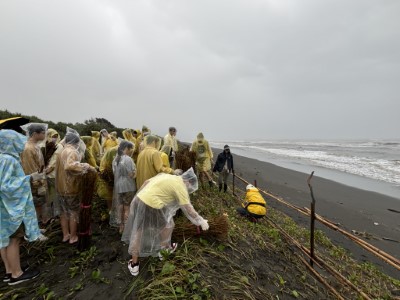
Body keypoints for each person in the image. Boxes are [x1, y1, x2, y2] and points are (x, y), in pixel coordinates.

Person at [122, 168, 209, 276]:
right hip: (152, 204)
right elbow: (188, 208)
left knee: (139, 230)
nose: (188, 189)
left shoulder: (166, 176)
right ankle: (163, 251)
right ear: (187, 181)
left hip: (139, 200)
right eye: (189, 186)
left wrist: (142, 200)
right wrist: (200, 220)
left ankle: (134, 265)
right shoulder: (181, 186)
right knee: (168, 225)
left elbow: (146, 182)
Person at [0, 129, 42, 285]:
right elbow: (6, 186)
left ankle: (10, 270)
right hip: (11, 208)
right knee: (14, 239)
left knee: (5, 239)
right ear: (10, 142)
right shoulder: (9, 160)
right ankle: (16, 275)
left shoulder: (1, 158)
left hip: (4, 208)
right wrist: (29, 178)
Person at [55, 129, 96, 244]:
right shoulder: (72, 152)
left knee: (63, 212)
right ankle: (73, 237)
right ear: (76, 142)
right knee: (73, 212)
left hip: (60, 187)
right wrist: (86, 166)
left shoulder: (61, 151)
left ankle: (65, 235)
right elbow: (69, 166)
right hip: (71, 187)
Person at [20, 123, 49, 226]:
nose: (45, 135)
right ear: (35, 134)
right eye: (43, 133)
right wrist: (38, 184)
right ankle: (33, 231)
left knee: (39, 206)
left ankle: (37, 227)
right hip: (34, 184)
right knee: (34, 207)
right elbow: (30, 171)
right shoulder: (28, 148)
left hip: (39, 182)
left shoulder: (35, 147)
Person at [110, 141, 136, 234]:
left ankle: (120, 226)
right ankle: (127, 228)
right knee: (127, 207)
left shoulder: (115, 159)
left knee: (120, 206)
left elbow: (114, 173)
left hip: (118, 186)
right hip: (128, 186)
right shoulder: (128, 159)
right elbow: (131, 174)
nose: (130, 151)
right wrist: (134, 174)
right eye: (130, 149)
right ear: (126, 148)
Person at [42, 128, 64, 218]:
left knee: (55, 195)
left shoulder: (59, 146)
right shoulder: (45, 145)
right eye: (52, 136)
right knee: (48, 195)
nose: (54, 138)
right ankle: (49, 215)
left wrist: (48, 169)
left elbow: (55, 161)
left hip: (54, 174)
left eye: (56, 136)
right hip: (46, 174)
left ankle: (56, 214)